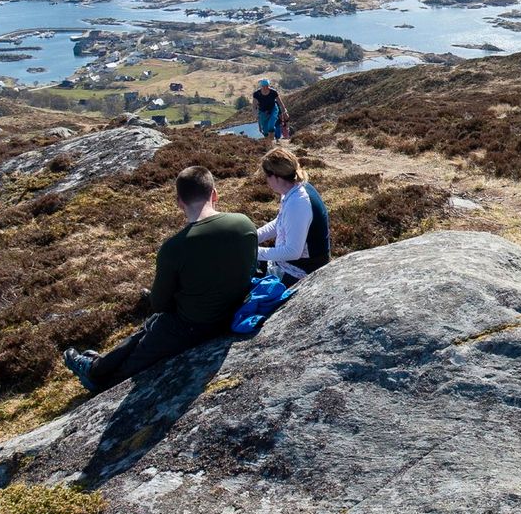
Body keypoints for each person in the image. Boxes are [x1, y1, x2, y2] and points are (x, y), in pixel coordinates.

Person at [62, 166, 258, 392]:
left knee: (146, 344)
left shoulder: (174, 248)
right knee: (150, 329)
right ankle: (96, 365)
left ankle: (97, 376)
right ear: (214, 193)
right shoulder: (244, 224)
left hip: (192, 326)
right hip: (233, 314)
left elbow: (160, 304)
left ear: (178, 202)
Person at [255, 145, 331, 282]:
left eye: (267, 176)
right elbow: (280, 222)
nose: (266, 181)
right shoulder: (293, 189)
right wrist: (253, 238)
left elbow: (292, 252)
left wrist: (253, 252)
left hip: (304, 270)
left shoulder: (298, 202)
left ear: (276, 177)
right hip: (295, 263)